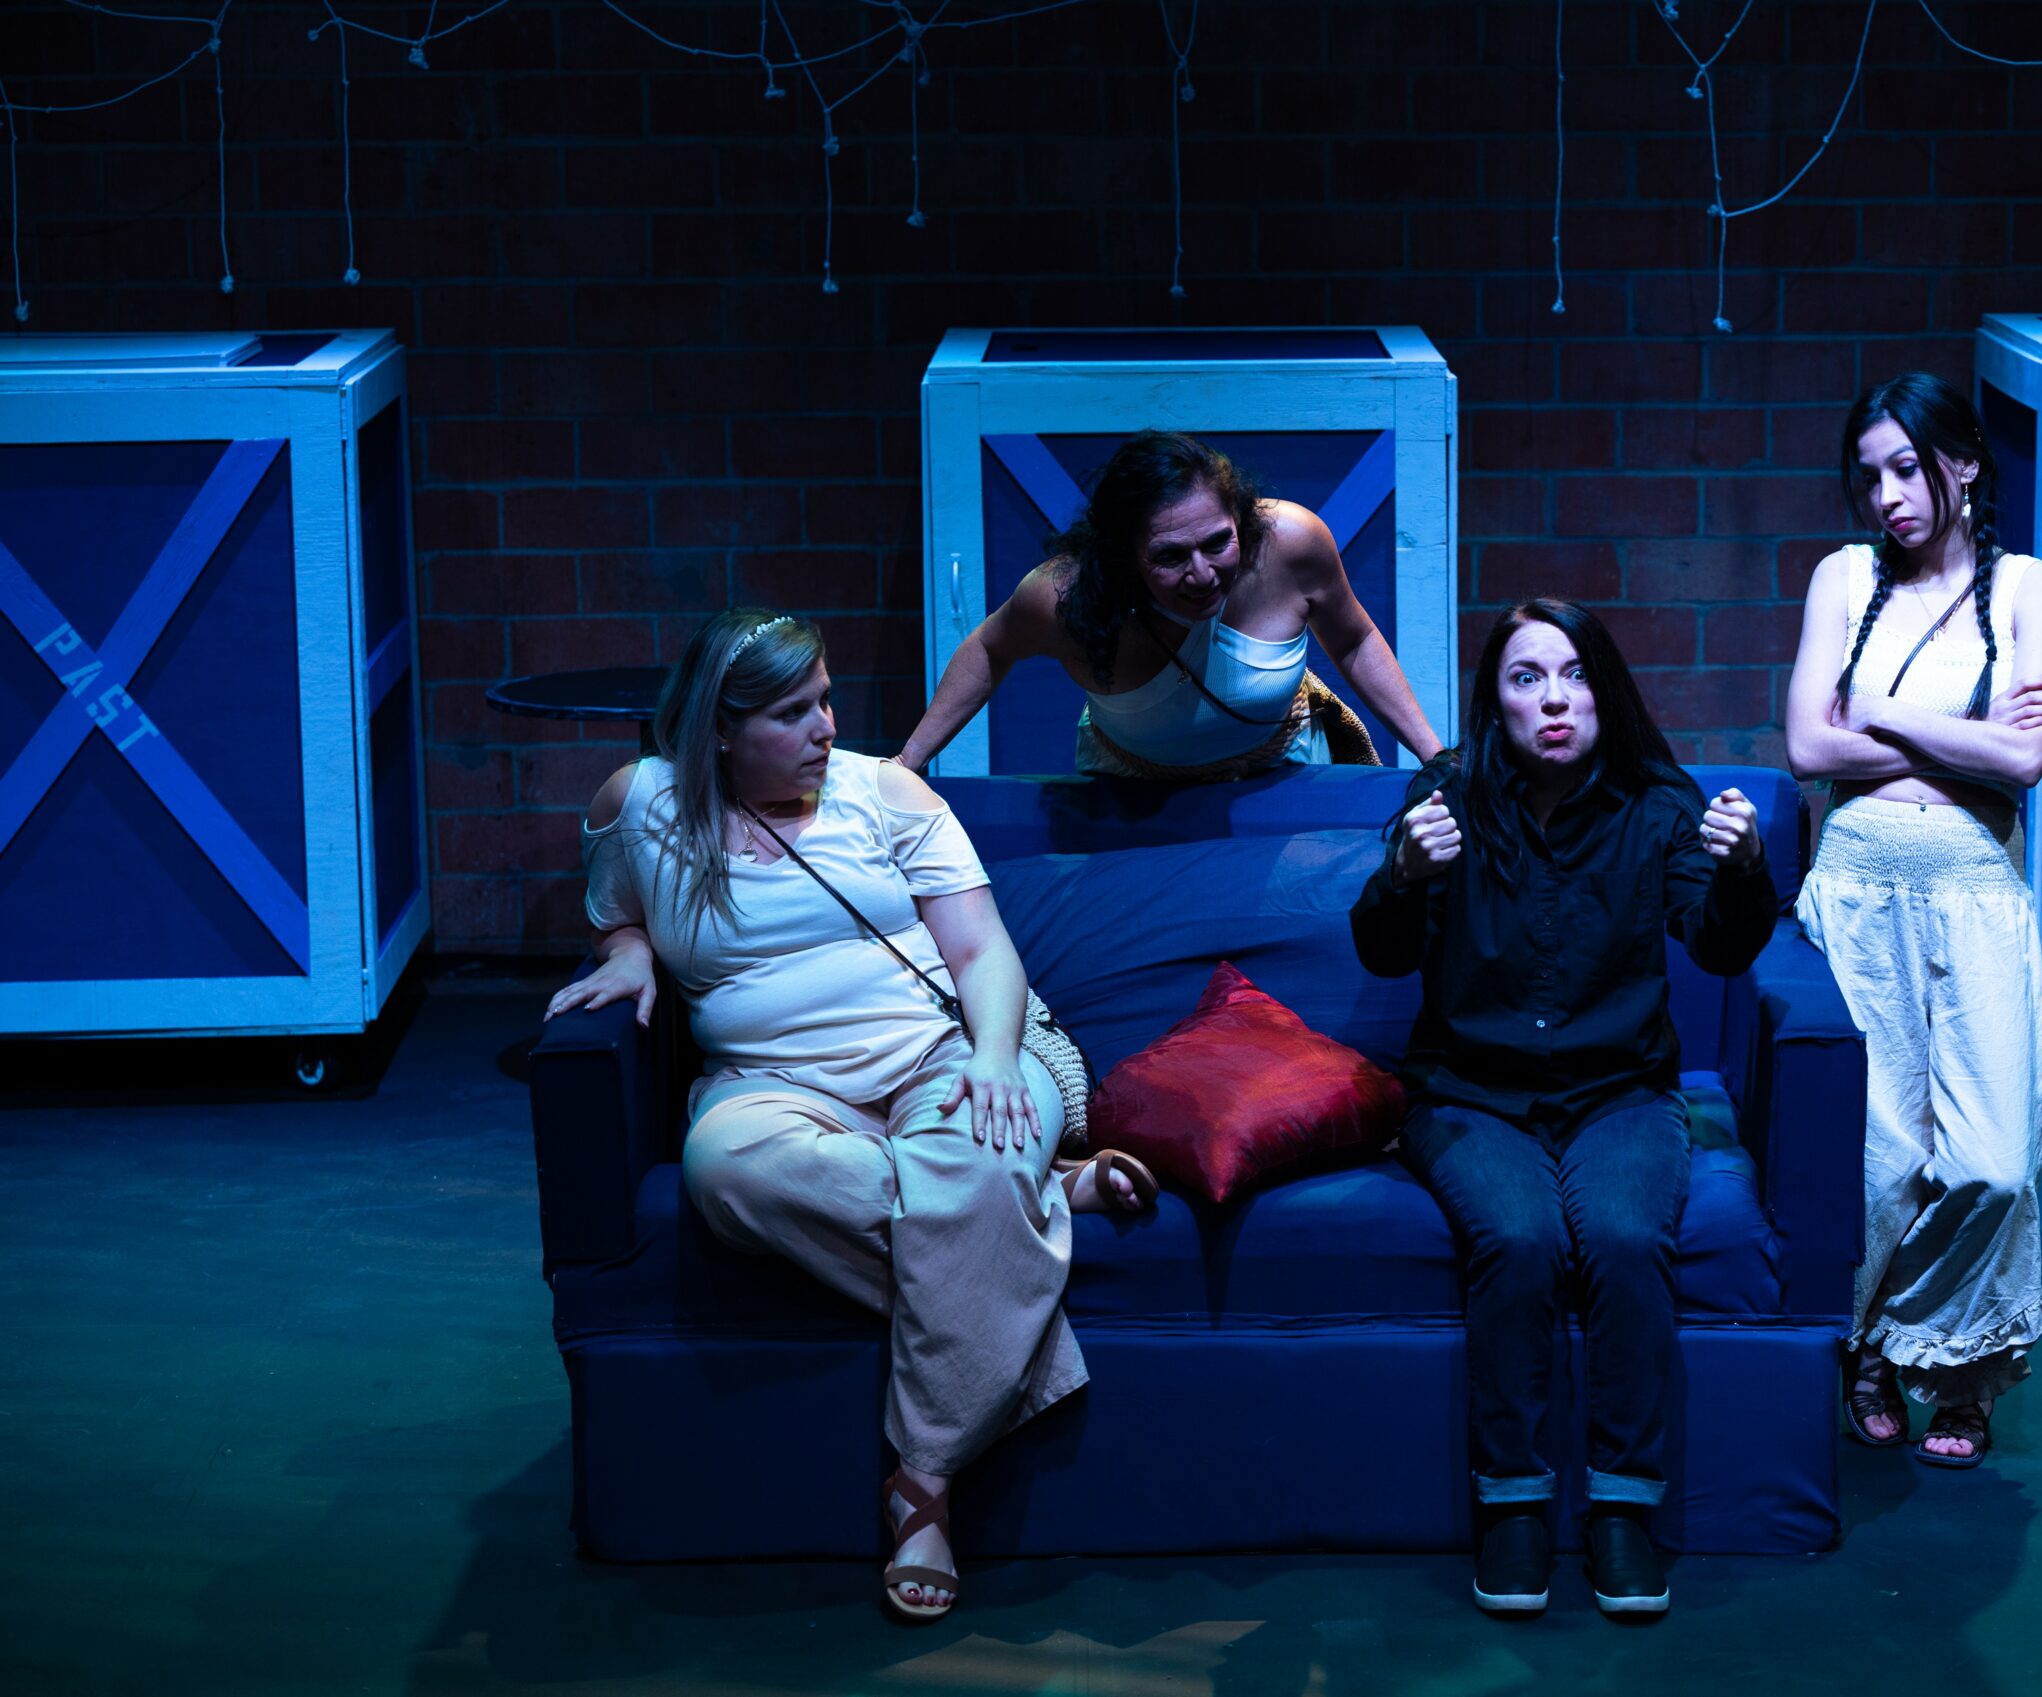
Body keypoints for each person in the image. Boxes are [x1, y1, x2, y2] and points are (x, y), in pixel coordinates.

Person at [545, 607, 1155, 1622]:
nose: (827, 726)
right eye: (793, 712)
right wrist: (631, 951)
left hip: (939, 1058)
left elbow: (983, 952)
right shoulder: (640, 803)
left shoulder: (886, 793)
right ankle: (1033, 1203)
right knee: (727, 1170)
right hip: (770, 1082)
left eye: (825, 699)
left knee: (984, 1140)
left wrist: (994, 1058)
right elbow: (614, 910)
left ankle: (923, 1483)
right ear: (720, 730)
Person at [1350, 599, 1778, 1619]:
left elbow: (1718, 945)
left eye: (1575, 674)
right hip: (1472, 1093)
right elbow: (1383, 952)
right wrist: (1403, 874)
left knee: (1626, 1237)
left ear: (1604, 691)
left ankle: (1623, 1507)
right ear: (1494, 701)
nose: (1554, 698)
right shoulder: (1447, 794)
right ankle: (1513, 1504)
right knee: (1520, 1237)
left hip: (1617, 1090)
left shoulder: (1657, 801)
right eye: (1527, 677)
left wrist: (1745, 872)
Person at [1782, 372, 2042, 1470]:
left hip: (1975, 895)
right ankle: (1879, 1359)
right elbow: (1809, 748)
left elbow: (2025, 759)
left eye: (1907, 468)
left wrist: (1884, 712)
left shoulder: (2026, 587)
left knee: (1992, 1162)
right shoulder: (1844, 578)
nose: (1887, 497)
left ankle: (1935, 1346)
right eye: (1870, 477)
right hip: (1857, 890)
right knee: (1878, 1161)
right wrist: (1966, 736)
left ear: (1965, 463)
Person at [893, 430, 1444, 780]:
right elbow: (990, 648)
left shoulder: (1293, 541)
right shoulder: (1060, 593)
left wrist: (1433, 755)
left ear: (1240, 518)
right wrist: (909, 762)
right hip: (1131, 794)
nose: (1202, 574)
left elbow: (1354, 641)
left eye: (1218, 543)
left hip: (1283, 771)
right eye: (1170, 556)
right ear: (1124, 554)